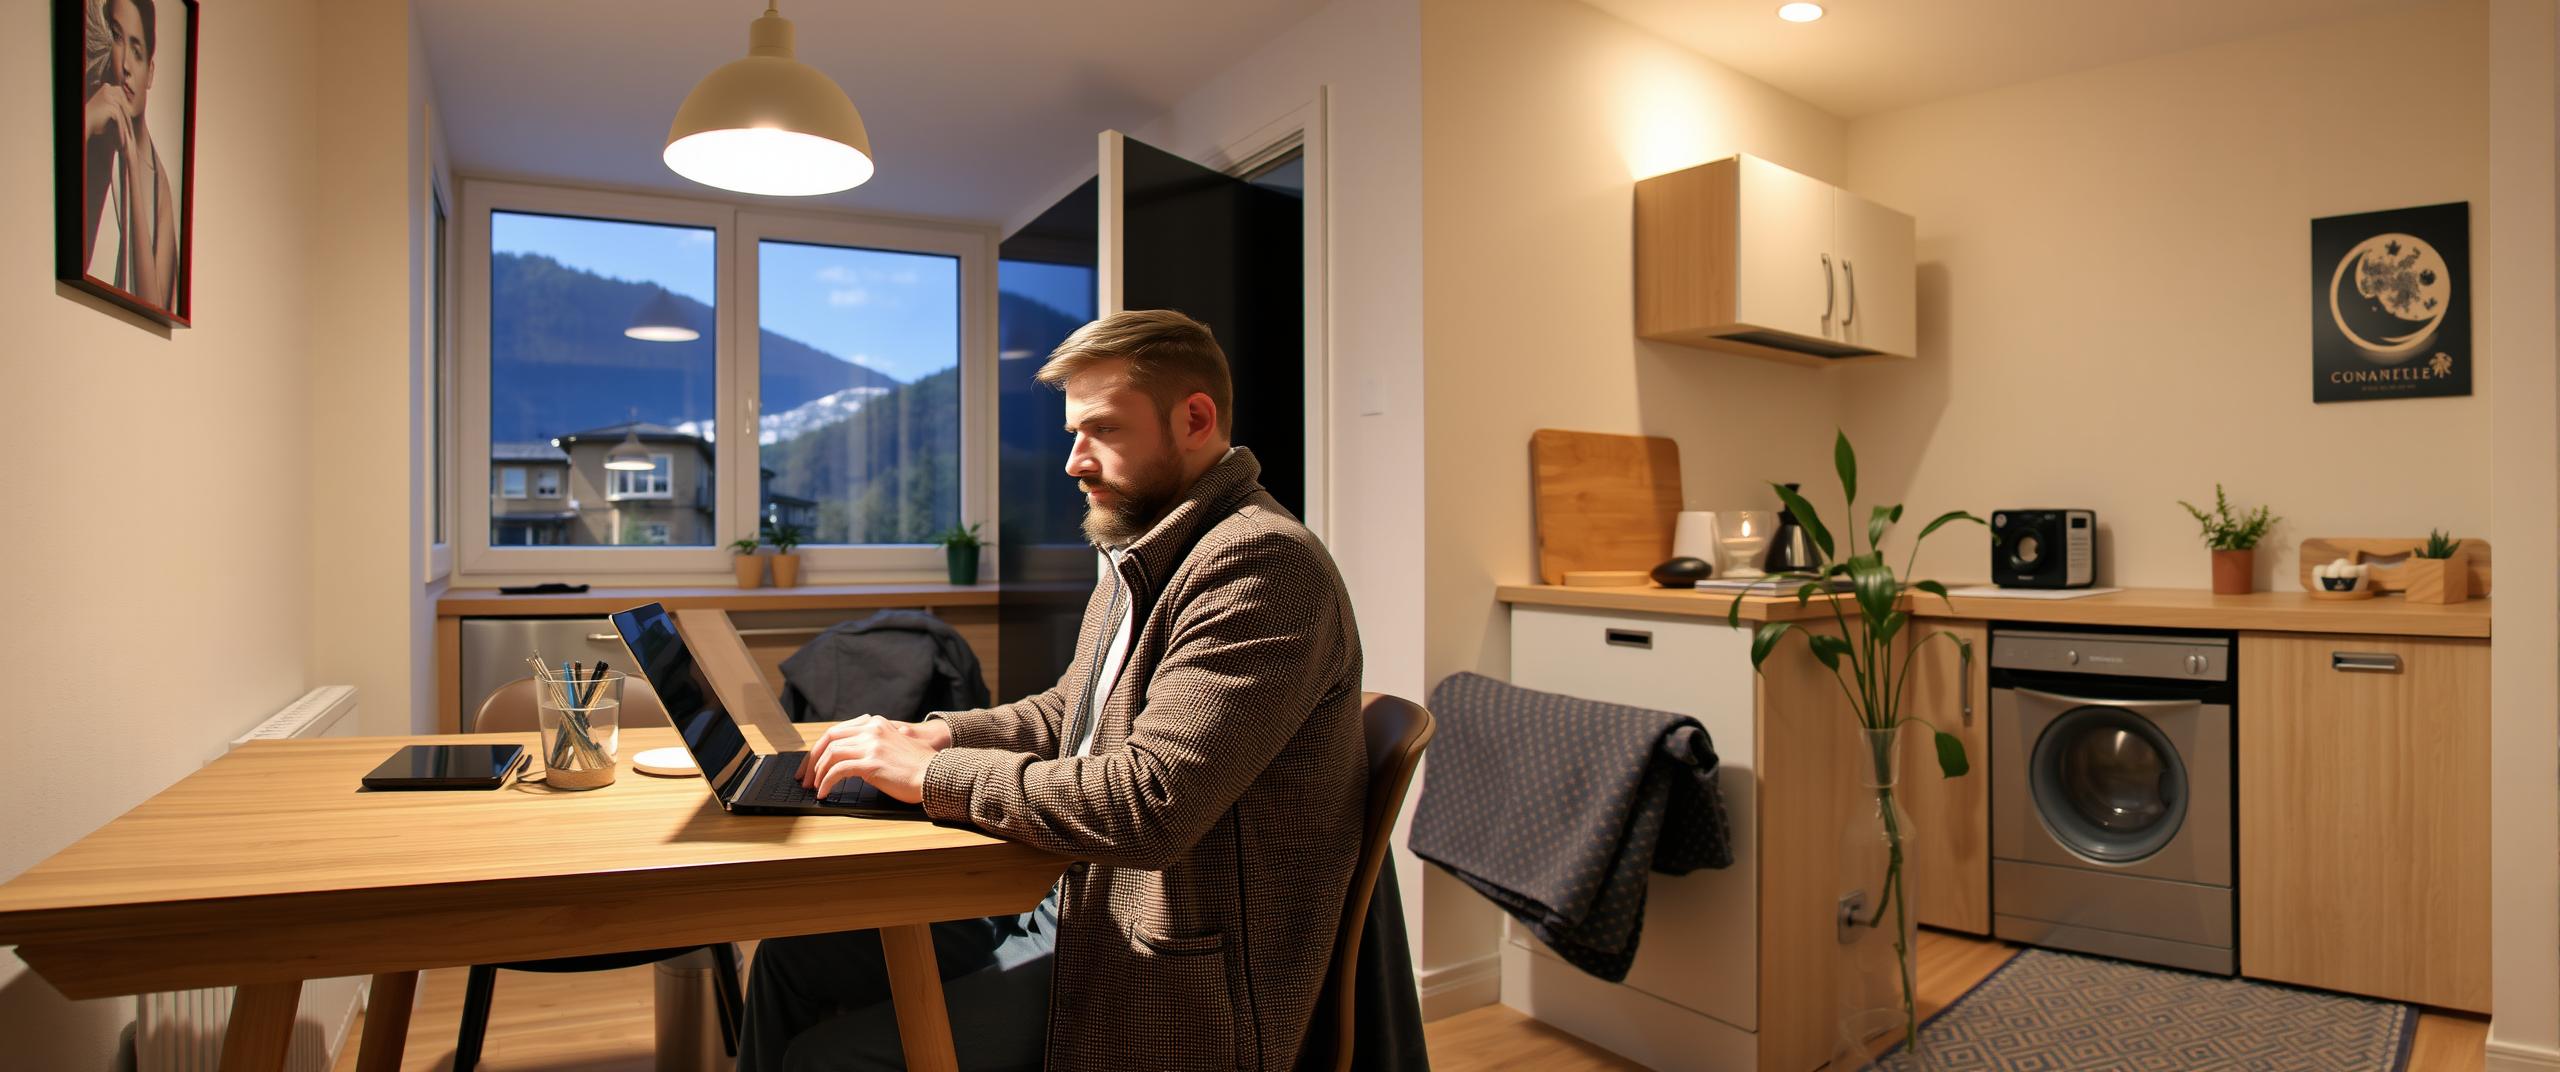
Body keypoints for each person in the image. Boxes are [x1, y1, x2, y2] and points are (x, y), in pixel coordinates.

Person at [739, 309, 1366, 1072]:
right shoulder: (1150, 548)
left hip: (1164, 970)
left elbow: (1149, 804)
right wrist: (939, 735)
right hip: (1072, 901)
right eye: (1074, 433)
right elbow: (1071, 712)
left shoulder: (1261, 566)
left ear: (1195, 419)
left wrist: (932, 776)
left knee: (827, 1060)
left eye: (1102, 430)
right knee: (789, 959)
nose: (1074, 460)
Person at [81, 0, 180, 309]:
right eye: (117, 37)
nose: (124, 64)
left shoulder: (157, 181)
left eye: (137, 52)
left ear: (150, 72)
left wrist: (133, 167)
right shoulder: (92, 125)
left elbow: (153, 306)